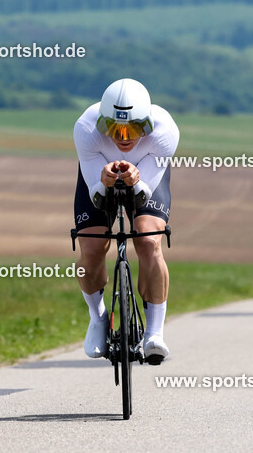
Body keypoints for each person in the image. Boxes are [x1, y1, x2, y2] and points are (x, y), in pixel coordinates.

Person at [73, 78, 178, 363]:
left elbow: (143, 195)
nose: (123, 137)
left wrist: (136, 180)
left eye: (133, 129)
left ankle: (154, 332)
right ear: (102, 124)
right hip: (98, 172)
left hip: (147, 172)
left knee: (148, 241)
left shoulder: (165, 132)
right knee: (91, 247)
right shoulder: (86, 129)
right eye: (114, 129)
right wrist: (103, 181)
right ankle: (98, 318)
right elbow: (97, 196)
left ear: (148, 124)